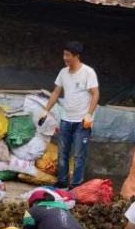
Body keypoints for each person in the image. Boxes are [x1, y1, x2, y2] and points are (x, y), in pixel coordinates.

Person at [40, 41, 99, 189]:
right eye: (64, 54)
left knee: (79, 156)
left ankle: (76, 185)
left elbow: (95, 93)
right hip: (66, 120)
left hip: (82, 122)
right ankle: (62, 182)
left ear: (76, 56)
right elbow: (56, 92)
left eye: (68, 55)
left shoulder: (88, 72)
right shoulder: (63, 72)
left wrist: (89, 115)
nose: (65, 58)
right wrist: (46, 110)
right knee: (62, 154)